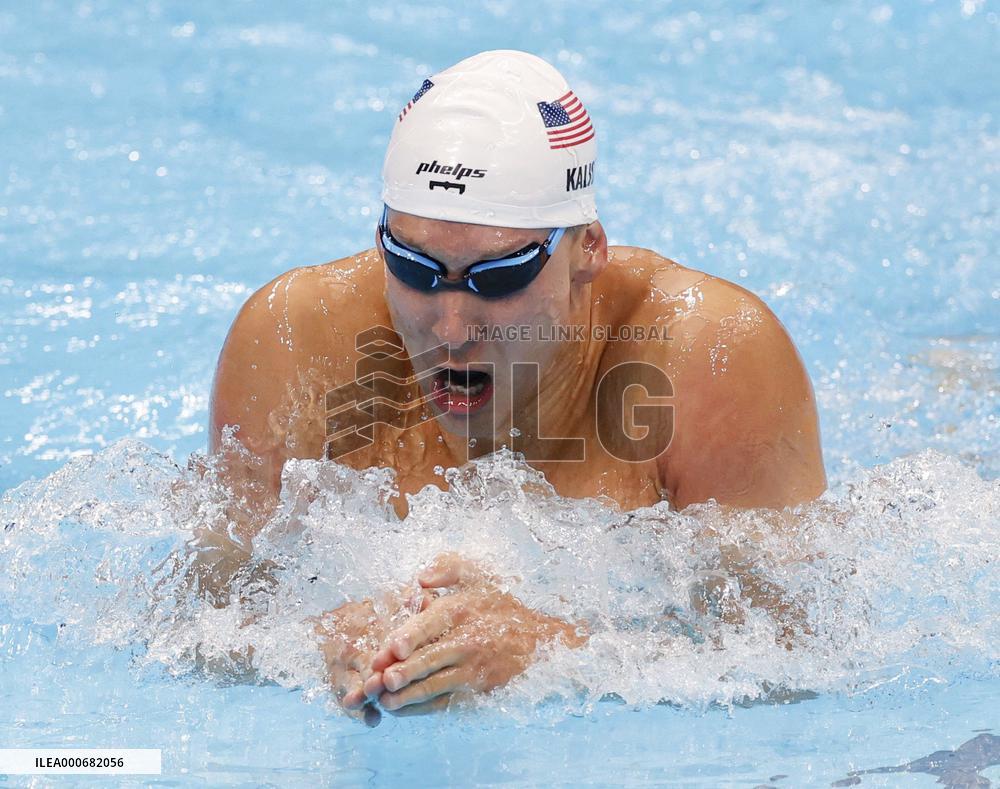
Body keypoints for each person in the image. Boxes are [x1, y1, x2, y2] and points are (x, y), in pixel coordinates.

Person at [207, 50, 826, 719]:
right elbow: (201, 613)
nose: (450, 327)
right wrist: (314, 638)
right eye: (415, 269)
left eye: (497, 279)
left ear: (587, 248)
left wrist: (548, 647)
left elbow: (798, 659)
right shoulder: (295, 338)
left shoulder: (709, 355)